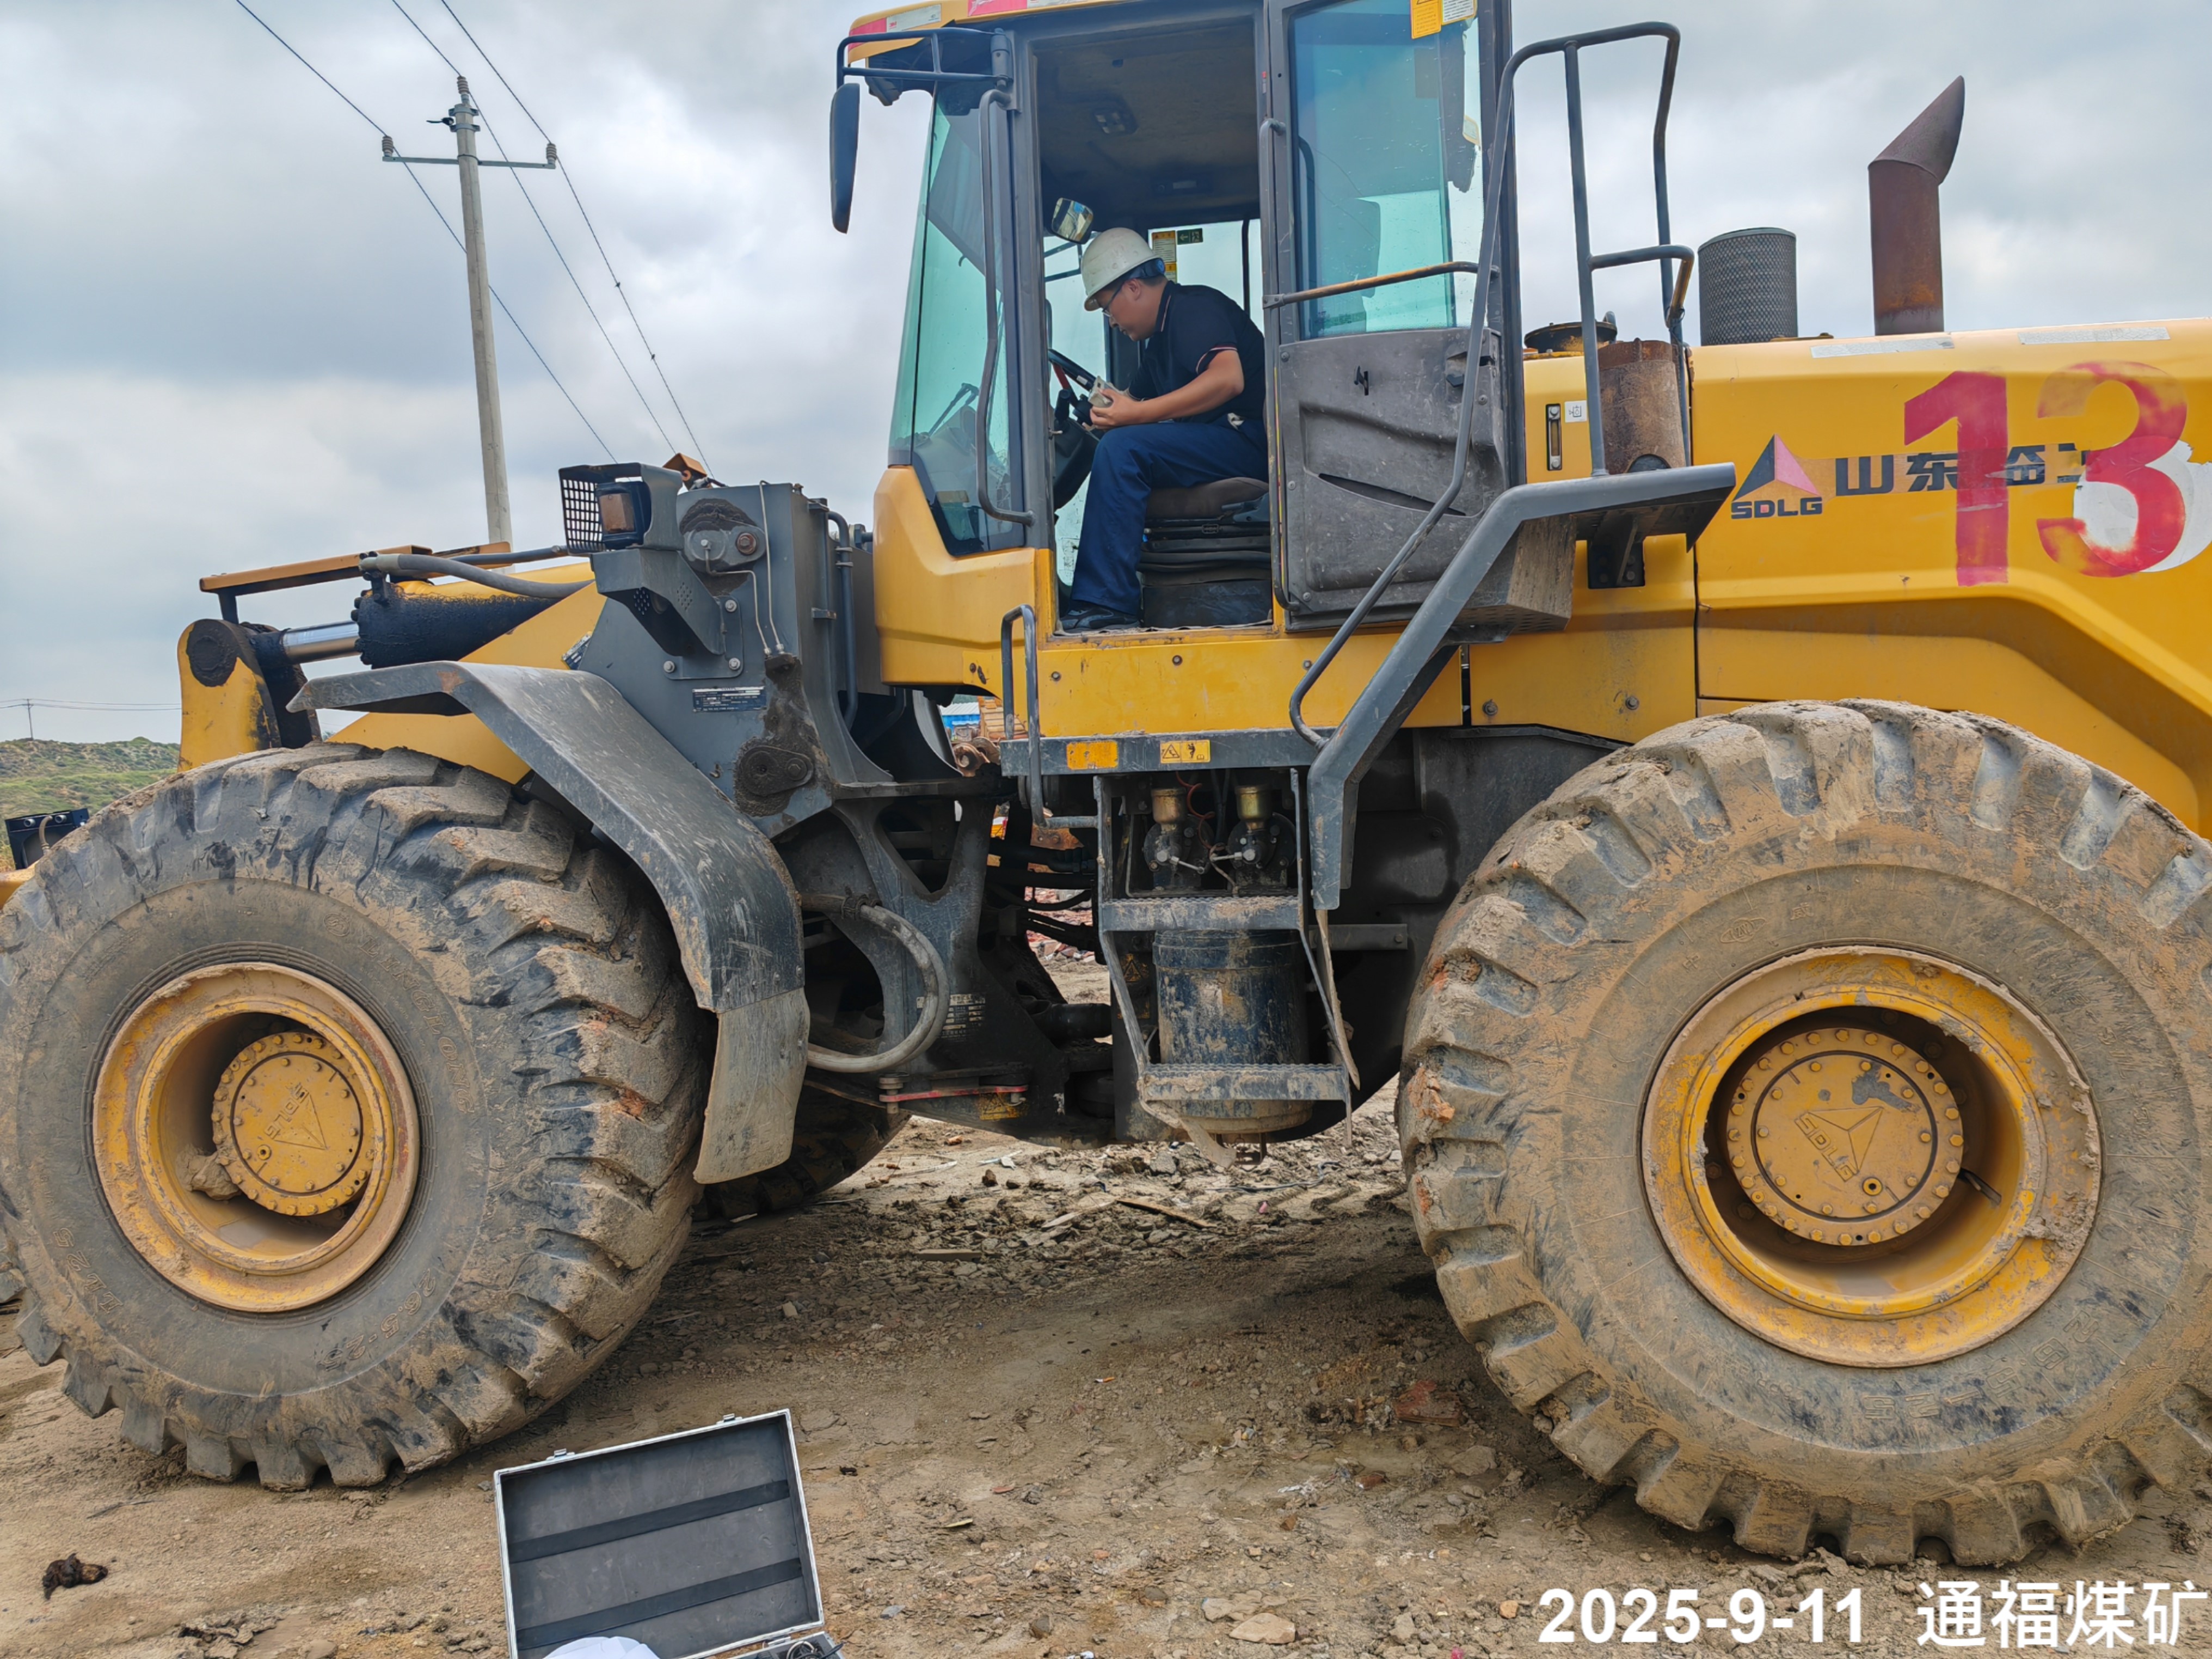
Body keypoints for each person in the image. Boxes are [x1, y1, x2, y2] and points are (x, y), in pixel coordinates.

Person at [1060, 228, 1268, 632]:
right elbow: (1132, 402)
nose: (1111, 321)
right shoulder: (1158, 346)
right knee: (1120, 444)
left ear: (1133, 287)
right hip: (1220, 444)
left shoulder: (1193, 309)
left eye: (1108, 308)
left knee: (1123, 450)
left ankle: (1104, 602)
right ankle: (1109, 593)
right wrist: (1102, 413)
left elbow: (1228, 379)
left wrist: (1135, 416)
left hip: (1249, 443)